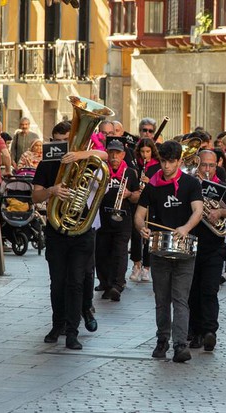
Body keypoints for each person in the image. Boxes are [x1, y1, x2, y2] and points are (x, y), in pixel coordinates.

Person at [32, 131, 108, 350]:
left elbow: (103, 154)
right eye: (59, 140)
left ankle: (73, 332)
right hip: (56, 231)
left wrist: (79, 155)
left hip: (82, 231)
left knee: (75, 283)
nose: (63, 145)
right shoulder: (47, 164)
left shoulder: (88, 161)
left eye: (68, 140)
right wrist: (52, 191)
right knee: (57, 283)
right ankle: (58, 325)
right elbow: (35, 196)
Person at [134, 140, 204, 363]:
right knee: (161, 298)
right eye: (163, 161)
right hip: (159, 249)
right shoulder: (153, 185)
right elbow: (138, 214)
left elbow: (198, 211)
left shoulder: (191, 183)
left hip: (184, 248)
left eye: (171, 162)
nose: (166, 166)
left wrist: (185, 227)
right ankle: (162, 339)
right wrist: (141, 228)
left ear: (180, 162)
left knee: (180, 298)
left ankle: (180, 344)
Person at [187, 150, 226, 352]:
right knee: (192, 291)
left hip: (214, 246)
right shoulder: (189, 184)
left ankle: (209, 332)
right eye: (203, 166)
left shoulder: (223, 187)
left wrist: (220, 211)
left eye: (211, 166)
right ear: (197, 165)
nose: (207, 170)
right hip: (191, 244)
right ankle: (195, 332)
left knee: (209, 290)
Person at [95, 140, 140, 302]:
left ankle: (117, 285)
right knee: (101, 252)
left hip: (123, 218)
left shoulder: (130, 173)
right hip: (102, 218)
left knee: (120, 253)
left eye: (117, 153)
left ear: (123, 154)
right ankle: (105, 283)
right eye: (111, 153)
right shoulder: (101, 170)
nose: (114, 156)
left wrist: (129, 194)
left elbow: (137, 197)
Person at [130, 138, 161, 282]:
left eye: (147, 152)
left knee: (149, 233)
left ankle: (146, 267)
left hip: (152, 203)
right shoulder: (136, 164)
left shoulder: (157, 166)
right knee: (136, 234)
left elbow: (160, 184)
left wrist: (149, 183)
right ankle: (136, 265)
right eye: (142, 151)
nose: (145, 155)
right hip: (137, 202)